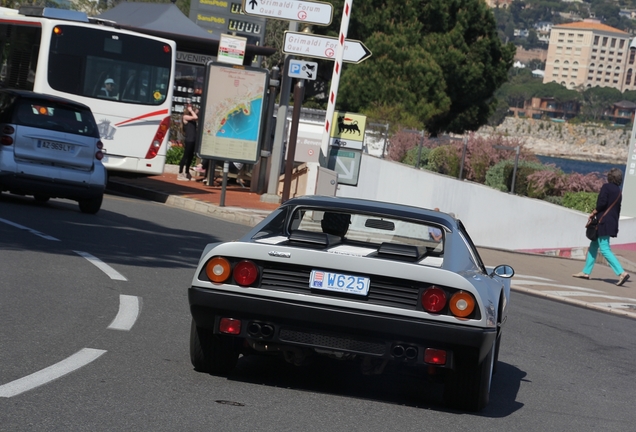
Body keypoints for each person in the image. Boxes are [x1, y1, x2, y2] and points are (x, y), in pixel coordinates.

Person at [573, 168, 630, 286]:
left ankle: (621, 272)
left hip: (603, 222)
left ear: (610, 177)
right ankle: (585, 272)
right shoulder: (619, 191)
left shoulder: (606, 187)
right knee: (593, 245)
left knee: (604, 248)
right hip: (611, 222)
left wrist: (594, 212)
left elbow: (602, 203)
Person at [178, 103, 198, 181]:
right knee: (185, 156)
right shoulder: (185, 117)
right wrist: (191, 110)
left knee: (190, 157)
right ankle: (180, 173)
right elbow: (195, 116)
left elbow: (195, 117)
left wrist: (193, 112)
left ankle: (187, 173)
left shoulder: (193, 119)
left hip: (193, 139)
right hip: (189, 140)